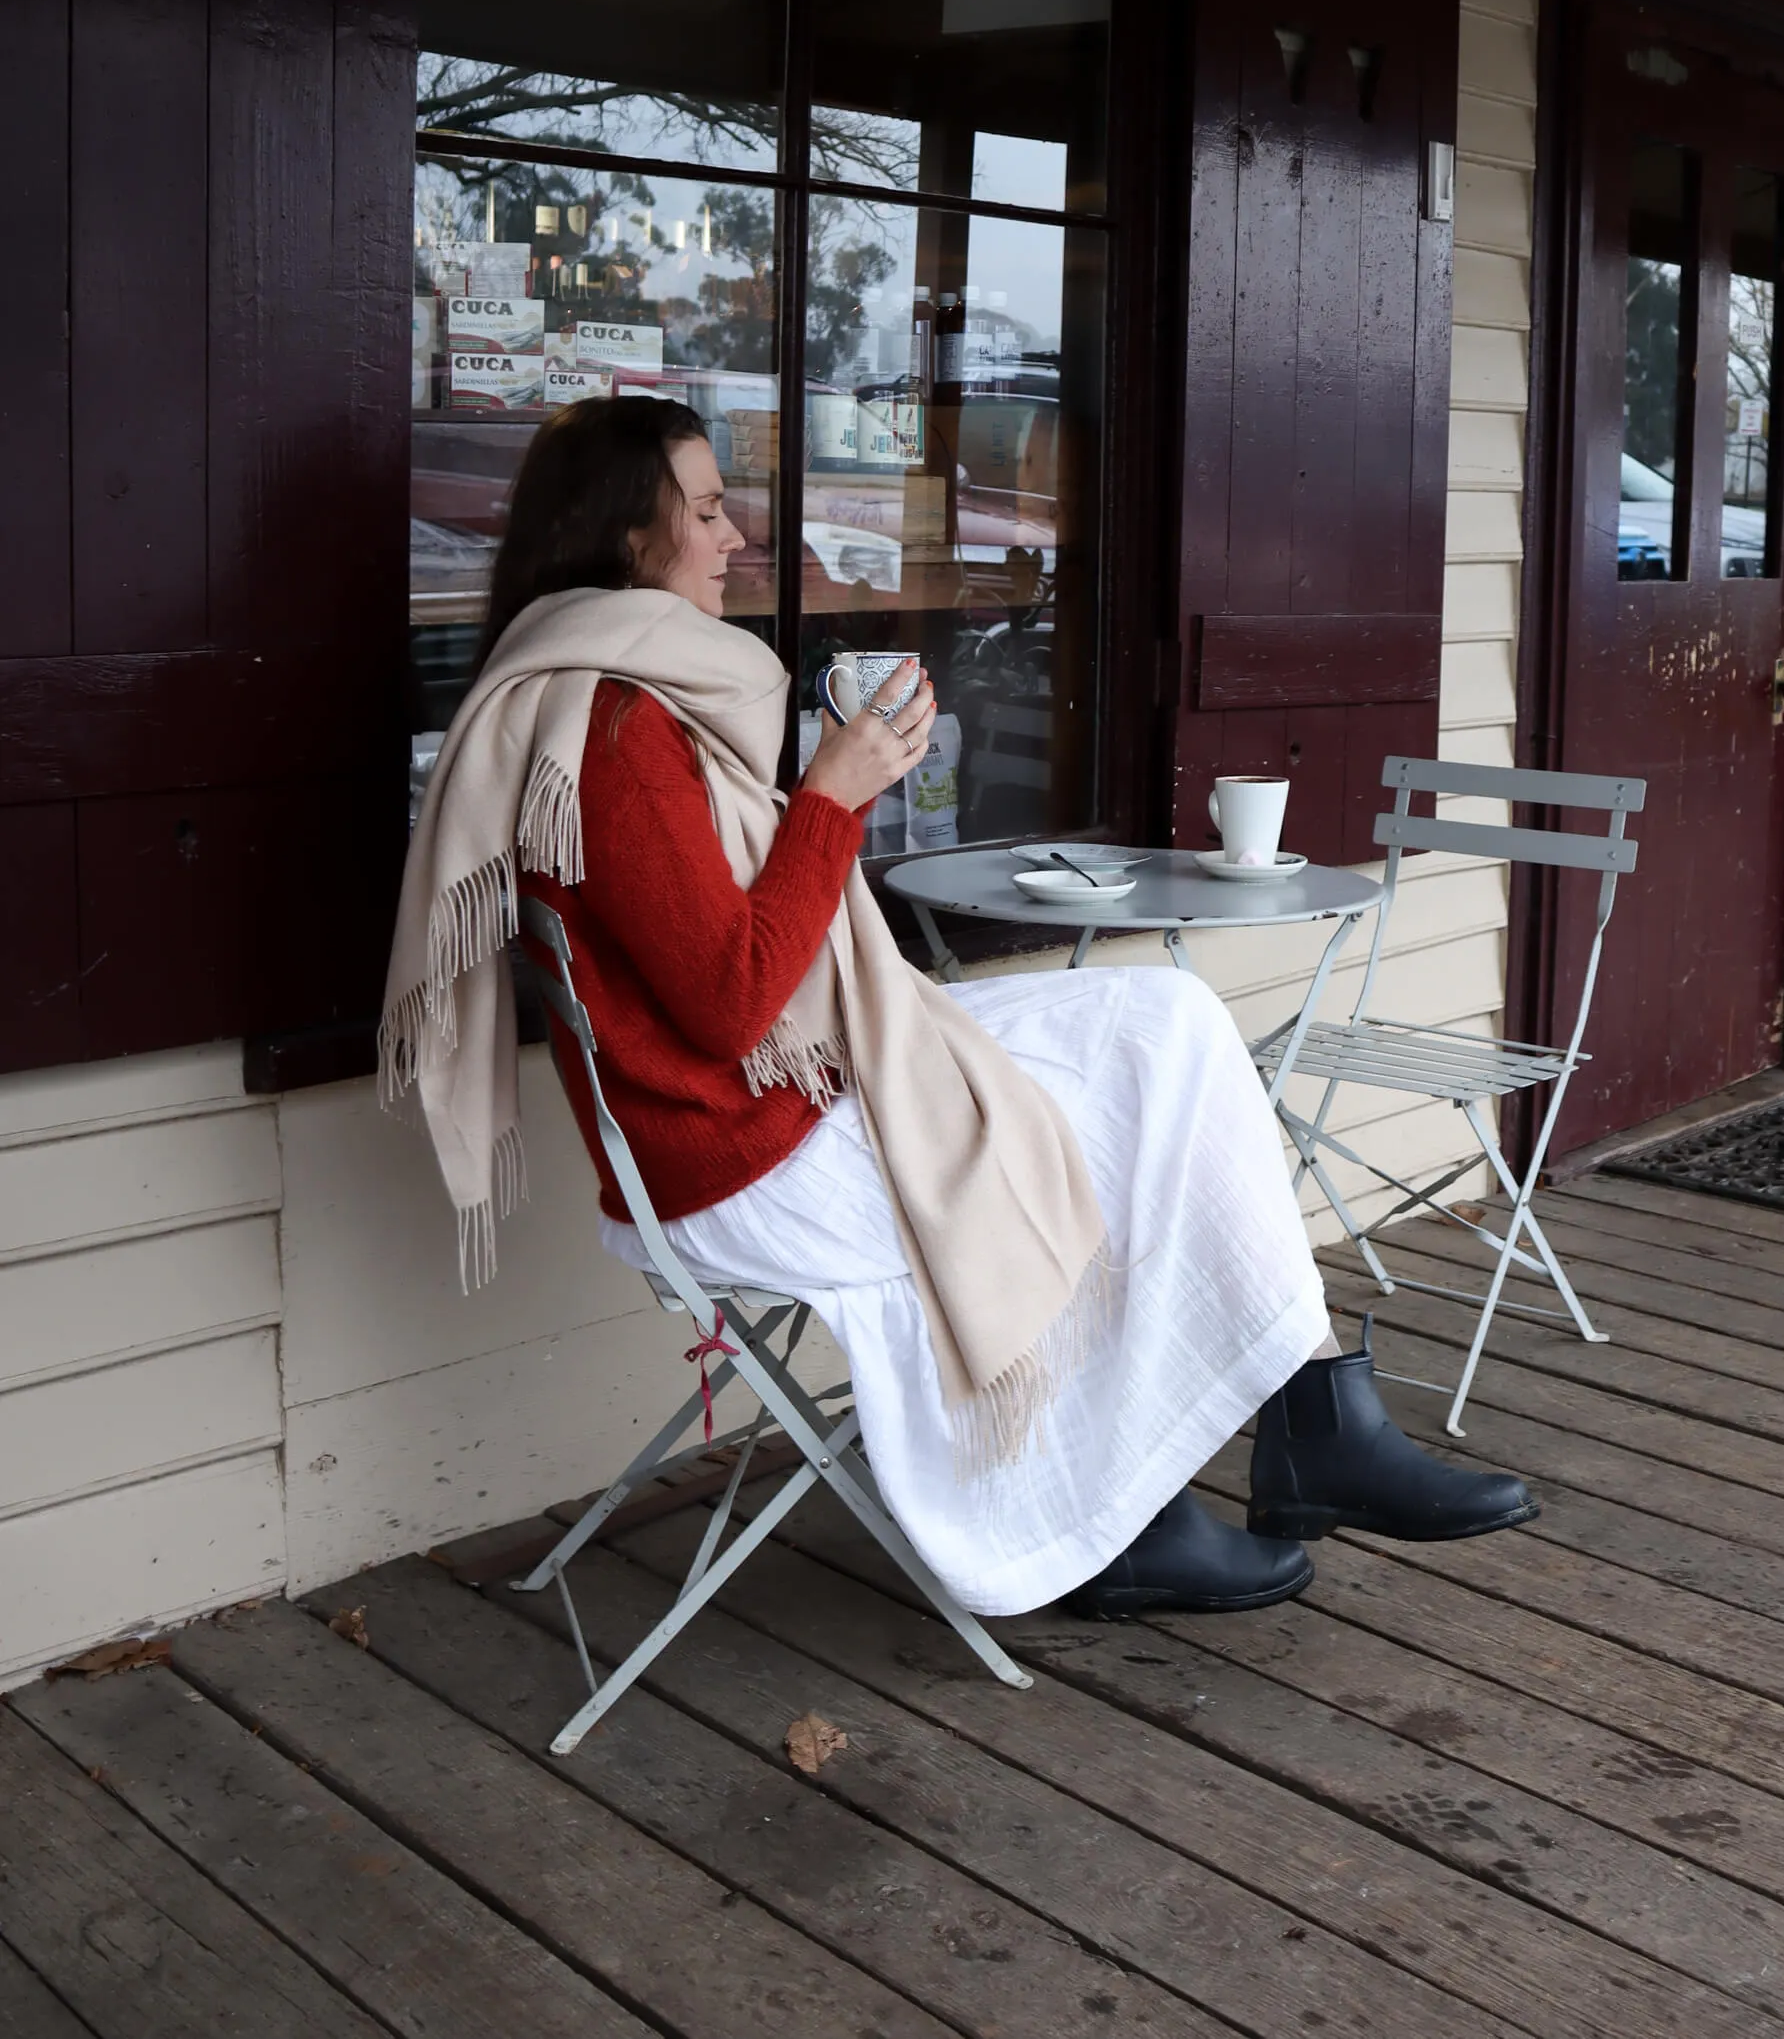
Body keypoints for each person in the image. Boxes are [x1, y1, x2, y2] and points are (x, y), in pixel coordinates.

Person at [384, 394, 1534, 1623]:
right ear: (626, 536)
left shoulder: (631, 693)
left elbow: (733, 948)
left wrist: (836, 783)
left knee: (1169, 1027)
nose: (737, 536)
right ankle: (1115, 1516)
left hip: (785, 1085)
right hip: (740, 1151)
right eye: (708, 508)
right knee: (1101, 1137)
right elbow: (728, 1004)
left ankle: (1309, 1408)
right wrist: (832, 794)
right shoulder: (609, 727)